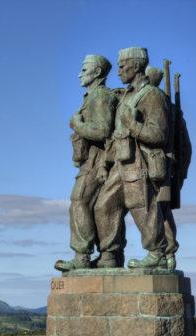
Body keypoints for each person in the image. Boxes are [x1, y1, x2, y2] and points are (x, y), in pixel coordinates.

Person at [93, 47, 168, 269]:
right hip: (120, 161)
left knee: (141, 207)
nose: (118, 71)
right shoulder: (126, 95)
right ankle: (110, 255)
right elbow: (116, 133)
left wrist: (133, 125)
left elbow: (159, 134)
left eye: (122, 66)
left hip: (140, 161)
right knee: (103, 206)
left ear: (135, 66)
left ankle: (157, 254)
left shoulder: (152, 95)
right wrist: (105, 163)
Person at [54, 54, 117, 272]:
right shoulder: (92, 97)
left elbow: (102, 130)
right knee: (99, 208)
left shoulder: (99, 96)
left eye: (84, 69)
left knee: (79, 200)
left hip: (97, 160)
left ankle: (81, 256)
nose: (80, 74)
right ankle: (108, 256)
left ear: (97, 72)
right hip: (91, 161)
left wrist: (77, 125)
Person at [145, 65, 179, 268]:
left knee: (161, 208)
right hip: (145, 164)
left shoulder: (165, 105)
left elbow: (183, 145)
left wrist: (178, 171)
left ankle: (168, 254)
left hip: (162, 166)